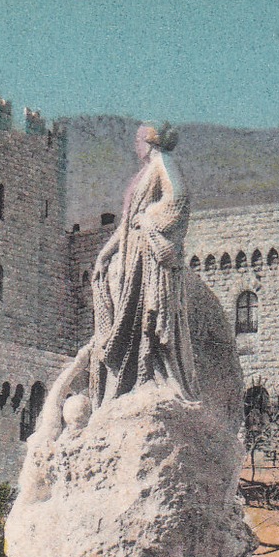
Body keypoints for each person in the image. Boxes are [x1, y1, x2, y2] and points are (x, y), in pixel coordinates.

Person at [90, 122, 196, 407]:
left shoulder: (164, 163)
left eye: (139, 139)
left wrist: (149, 218)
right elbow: (126, 224)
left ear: (149, 142)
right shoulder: (147, 172)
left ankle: (151, 375)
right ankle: (134, 378)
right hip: (134, 253)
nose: (136, 146)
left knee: (150, 316)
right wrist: (105, 253)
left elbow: (178, 201)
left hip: (149, 255)